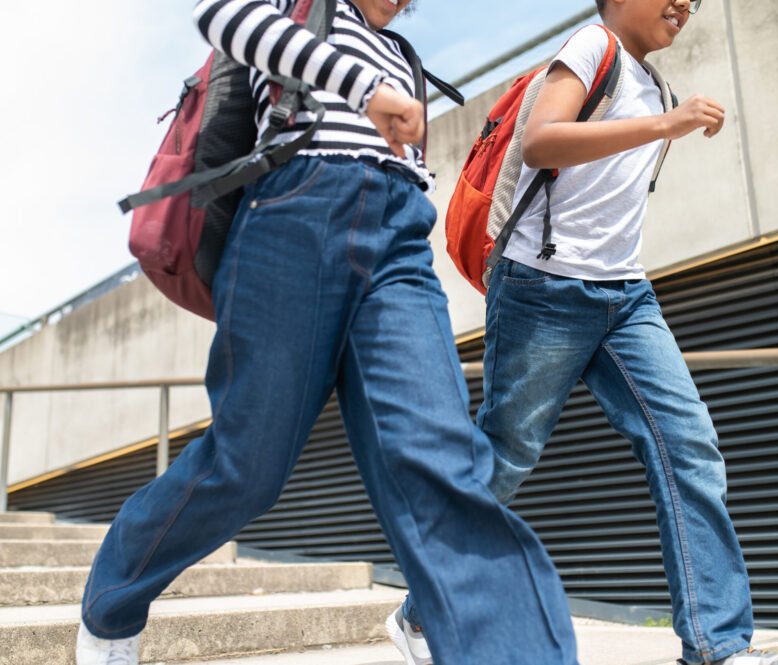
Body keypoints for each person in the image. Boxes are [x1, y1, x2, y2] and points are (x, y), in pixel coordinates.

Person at [74, 2, 581, 665]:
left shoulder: (402, 54)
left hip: (399, 233)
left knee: (441, 460)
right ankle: (111, 605)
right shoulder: (303, 8)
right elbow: (217, 14)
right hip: (295, 209)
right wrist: (364, 90)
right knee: (247, 464)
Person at [390, 2, 778, 665]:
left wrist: (664, 114)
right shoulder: (592, 46)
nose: (685, 5)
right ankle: (421, 609)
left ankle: (717, 646)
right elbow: (540, 138)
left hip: (625, 295)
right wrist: (667, 124)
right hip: (544, 285)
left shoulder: (656, 84)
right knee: (507, 453)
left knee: (689, 448)